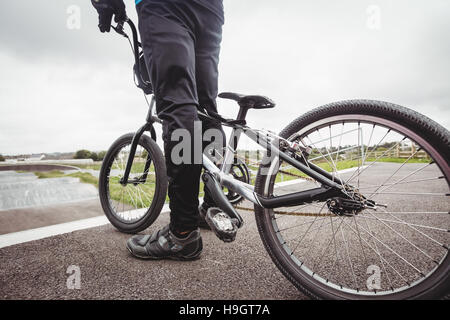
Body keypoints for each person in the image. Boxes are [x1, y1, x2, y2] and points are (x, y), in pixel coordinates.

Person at [91, 0, 226, 260]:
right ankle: (211, 207)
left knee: (179, 103)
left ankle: (182, 234)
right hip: (210, 9)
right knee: (206, 106)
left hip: (166, 6)